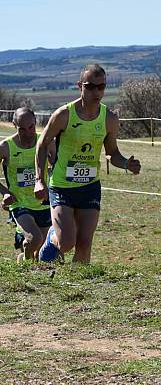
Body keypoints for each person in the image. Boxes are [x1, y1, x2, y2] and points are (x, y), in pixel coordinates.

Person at [34, 64, 141, 264]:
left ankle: (79, 288)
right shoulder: (64, 115)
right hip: (62, 186)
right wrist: (39, 180)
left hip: (89, 187)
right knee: (67, 243)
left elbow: (112, 153)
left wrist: (127, 163)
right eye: (90, 86)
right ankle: (52, 237)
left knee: (84, 243)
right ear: (79, 86)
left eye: (101, 87)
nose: (96, 92)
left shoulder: (109, 118)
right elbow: (42, 143)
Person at [0, 108, 56, 262]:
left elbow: (58, 167)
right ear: (14, 125)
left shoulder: (45, 142)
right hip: (20, 202)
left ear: (35, 122)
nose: (28, 132)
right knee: (34, 238)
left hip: (43, 202)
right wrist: (4, 192)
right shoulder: (5, 147)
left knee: (45, 251)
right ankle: (26, 262)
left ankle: (26, 257)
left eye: (31, 127)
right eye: (22, 129)